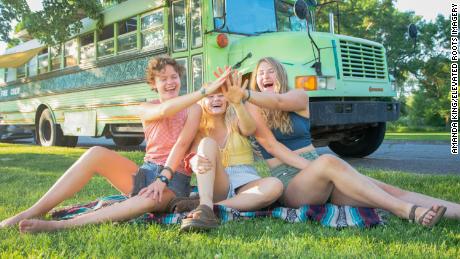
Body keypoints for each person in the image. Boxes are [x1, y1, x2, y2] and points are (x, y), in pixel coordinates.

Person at [0, 56, 231, 233]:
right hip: (146, 172)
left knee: (150, 198)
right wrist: (203, 91)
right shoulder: (146, 107)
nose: (170, 82)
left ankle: (61, 226)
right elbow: (164, 110)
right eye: (163, 79)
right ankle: (34, 210)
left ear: (180, 79)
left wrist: (163, 179)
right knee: (95, 152)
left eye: (174, 77)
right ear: (154, 84)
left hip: (174, 181)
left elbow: (181, 144)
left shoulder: (193, 108)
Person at [237, 57, 457, 227]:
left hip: (326, 174)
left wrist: (244, 92)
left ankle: (453, 211)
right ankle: (406, 210)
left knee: (390, 191)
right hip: (293, 183)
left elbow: (278, 100)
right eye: (260, 73)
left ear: (281, 75)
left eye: (270, 71)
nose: (265, 76)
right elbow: (271, 145)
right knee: (329, 162)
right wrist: (316, 168)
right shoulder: (252, 106)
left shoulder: (299, 96)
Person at [178, 71, 283, 231]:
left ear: (227, 99)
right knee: (207, 143)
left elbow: (249, 129)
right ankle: (206, 204)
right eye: (210, 96)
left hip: (246, 182)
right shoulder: (199, 129)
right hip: (218, 182)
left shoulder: (236, 119)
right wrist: (193, 161)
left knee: (275, 185)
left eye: (220, 96)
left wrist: (237, 103)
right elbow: (192, 156)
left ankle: (208, 208)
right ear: (202, 101)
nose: (216, 100)